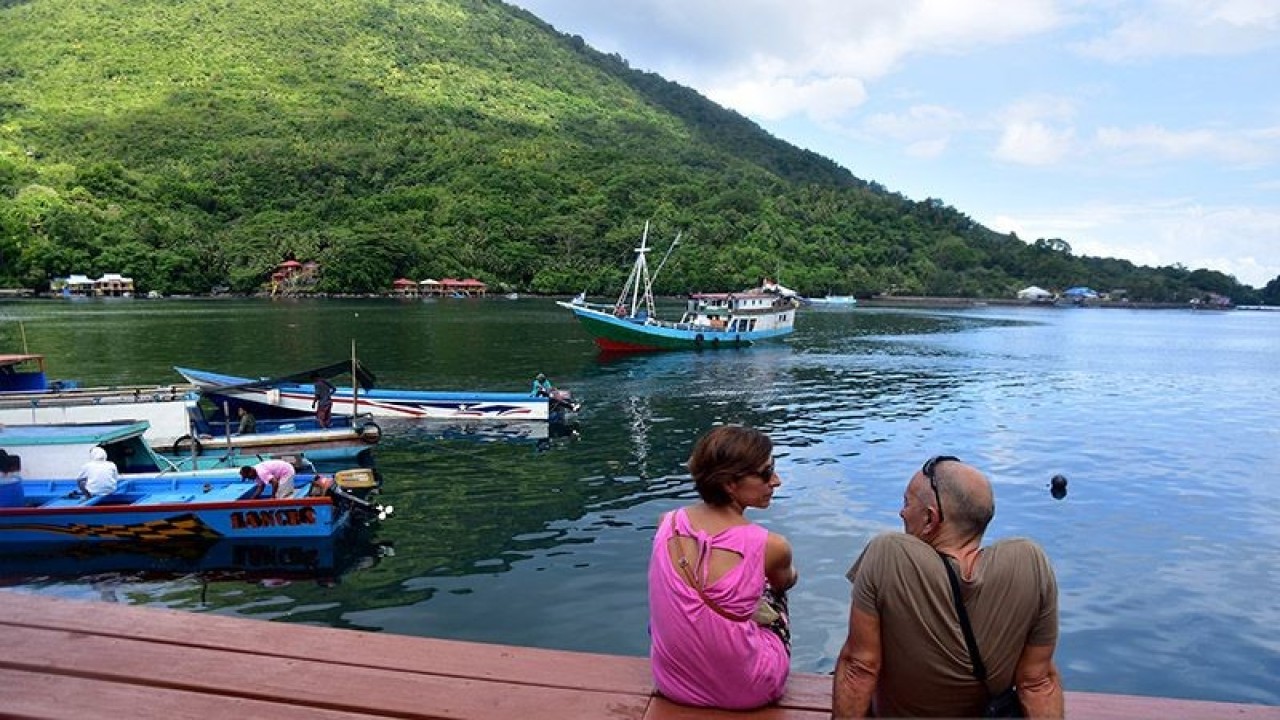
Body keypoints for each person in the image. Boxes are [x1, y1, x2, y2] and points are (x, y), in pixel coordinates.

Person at [832, 456, 1064, 718]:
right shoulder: (1031, 562)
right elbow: (1037, 683)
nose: (902, 513)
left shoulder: (888, 555)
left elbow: (860, 667)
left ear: (931, 519)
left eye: (907, 503)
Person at [648, 425, 798, 710]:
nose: (775, 481)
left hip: (672, 683)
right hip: (748, 691)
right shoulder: (771, 546)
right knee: (770, 590)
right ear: (730, 484)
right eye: (766, 473)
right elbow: (785, 582)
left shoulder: (666, 523)